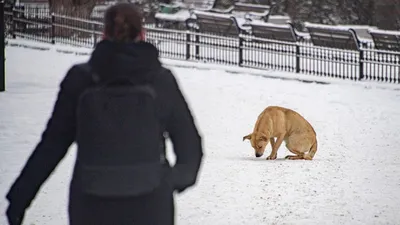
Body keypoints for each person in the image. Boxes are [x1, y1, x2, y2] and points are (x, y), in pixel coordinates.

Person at [5, 3, 203, 225]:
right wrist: (170, 182)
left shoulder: (80, 79)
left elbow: (52, 145)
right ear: (142, 33)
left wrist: (20, 198)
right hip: (150, 203)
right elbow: (190, 144)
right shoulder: (161, 81)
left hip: (91, 202)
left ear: (104, 33)